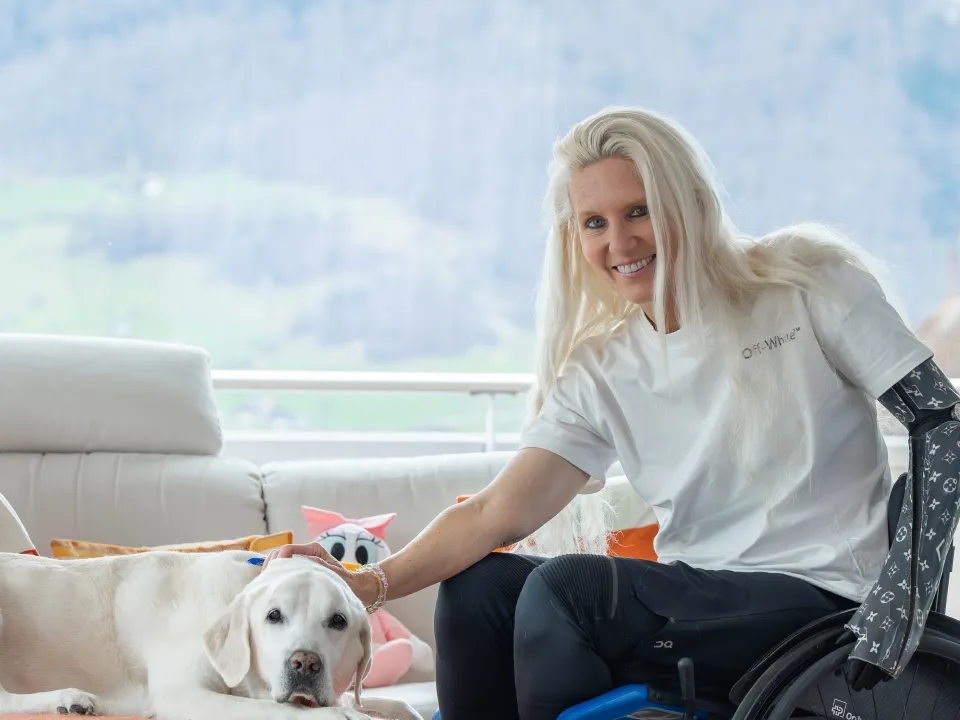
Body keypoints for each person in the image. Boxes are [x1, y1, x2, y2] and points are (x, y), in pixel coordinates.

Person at [264, 107, 960, 719]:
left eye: (639, 211)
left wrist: (905, 594)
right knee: (477, 587)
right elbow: (492, 514)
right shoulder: (603, 367)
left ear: (688, 202)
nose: (618, 243)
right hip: (701, 603)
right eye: (594, 222)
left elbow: (942, 420)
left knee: (571, 590)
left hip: (822, 605)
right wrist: (367, 583)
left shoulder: (806, 284)